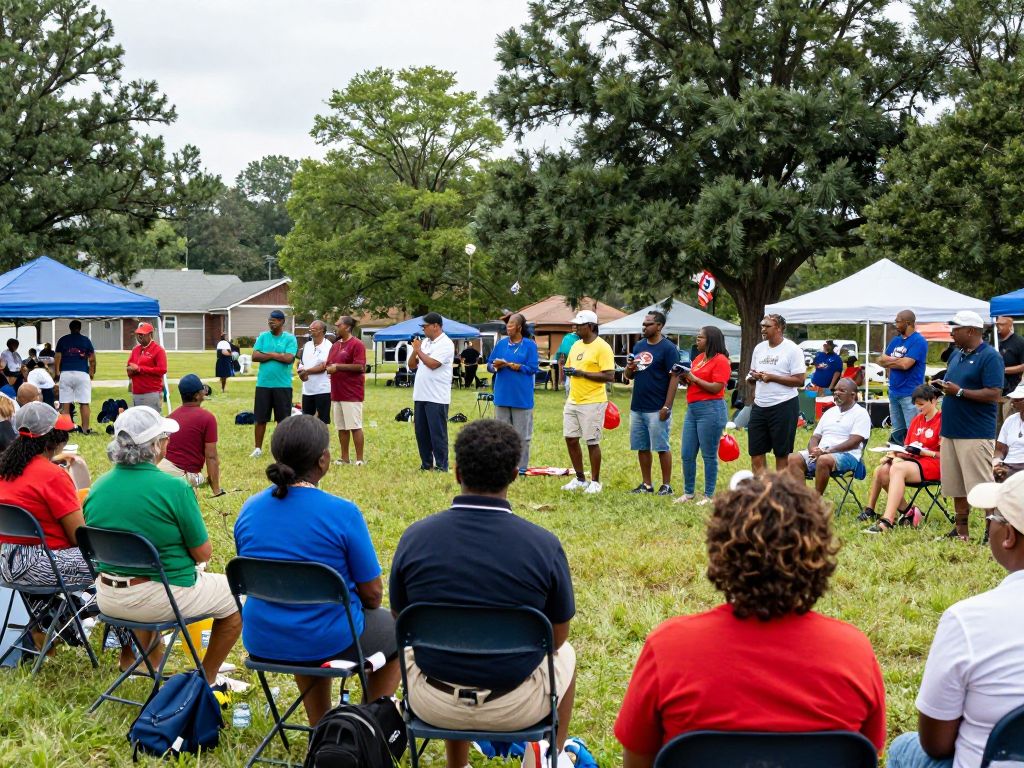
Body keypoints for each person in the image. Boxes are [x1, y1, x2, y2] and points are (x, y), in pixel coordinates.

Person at [614, 473, 885, 764]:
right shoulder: (854, 652)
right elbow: (867, 754)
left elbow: (637, 761)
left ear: (721, 550)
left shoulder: (668, 647)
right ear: (818, 553)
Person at [390, 419, 577, 768]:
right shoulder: (544, 546)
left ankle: (457, 764)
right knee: (568, 655)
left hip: (431, 701)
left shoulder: (414, 539)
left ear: (457, 470)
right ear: (514, 474)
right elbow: (556, 639)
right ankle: (550, 755)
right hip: (516, 706)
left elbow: (402, 624)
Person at [234, 415, 399, 725]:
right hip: (325, 638)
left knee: (306, 618)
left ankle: (320, 724)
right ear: (323, 460)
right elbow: (374, 595)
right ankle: (367, 727)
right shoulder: (342, 513)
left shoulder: (249, 509)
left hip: (263, 638)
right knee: (399, 629)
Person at [84, 406, 242, 685]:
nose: (169, 441)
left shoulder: (98, 487)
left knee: (151, 575)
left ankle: (149, 663)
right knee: (236, 597)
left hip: (107, 597)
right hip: (155, 597)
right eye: (165, 436)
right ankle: (207, 678)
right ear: (155, 445)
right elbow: (204, 552)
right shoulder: (175, 487)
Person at [887, 471, 1024, 768]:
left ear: (1009, 536)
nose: (989, 524)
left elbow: (935, 744)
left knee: (902, 747)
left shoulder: (968, 620)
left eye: (993, 518)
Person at [0, 403, 90, 656]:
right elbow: (79, 537)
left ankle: (47, 629)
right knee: (123, 563)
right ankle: (128, 649)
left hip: (7, 563)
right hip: (42, 566)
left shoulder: (6, 468)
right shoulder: (53, 476)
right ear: (54, 441)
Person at [936, 311, 1004, 541]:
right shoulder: (956, 355)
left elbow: (995, 393)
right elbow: (956, 386)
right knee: (956, 485)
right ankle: (961, 530)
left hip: (975, 432)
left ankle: (991, 532)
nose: (952, 332)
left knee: (982, 486)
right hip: (951, 430)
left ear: (972, 331)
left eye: (956, 329)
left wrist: (960, 392)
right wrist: (944, 387)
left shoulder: (990, 357)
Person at [862, 384, 943, 532]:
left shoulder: (943, 420)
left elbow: (946, 455)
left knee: (898, 468)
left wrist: (924, 453)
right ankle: (909, 511)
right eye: (916, 404)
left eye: (921, 404)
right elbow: (907, 447)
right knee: (882, 470)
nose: (918, 408)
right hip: (914, 462)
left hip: (934, 464)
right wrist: (894, 454)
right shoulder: (917, 420)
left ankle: (887, 521)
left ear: (933, 400)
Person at [621, 311, 680, 496]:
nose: (644, 327)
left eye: (648, 324)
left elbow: (674, 378)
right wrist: (629, 368)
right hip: (638, 405)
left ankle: (666, 485)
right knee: (642, 446)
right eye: (644, 324)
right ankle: (647, 484)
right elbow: (629, 376)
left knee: (662, 447)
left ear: (659, 326)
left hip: (657, 406)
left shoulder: (668, 349)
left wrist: (667, 406)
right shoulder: (639, 346)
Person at [677, 326, 734, 504]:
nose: (697, 340)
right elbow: (694, 382)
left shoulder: (721, 360)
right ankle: (688, 492)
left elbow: (717, 387)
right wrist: (684, 378)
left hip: (711, 409)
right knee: (687, 452)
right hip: (693, 409)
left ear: (711, 340)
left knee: (708, 455)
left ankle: (709, 495)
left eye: (700, 337)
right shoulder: (699, 358)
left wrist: (694, 379)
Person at [788, 378, 871, 497]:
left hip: (848, 455)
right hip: (822, 453)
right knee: (793, 458)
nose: (836, 393)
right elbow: (815, 437)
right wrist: (813, 451)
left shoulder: (861, 413)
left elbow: (854, 442)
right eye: (835, 390)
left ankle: (815, 501)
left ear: (852, 395)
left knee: (824, 460)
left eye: (841, 390)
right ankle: (803, 500)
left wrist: (826, 451)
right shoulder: (829, 412)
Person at [562, 310, 615, 494]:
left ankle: (595, 481)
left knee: (592, 441)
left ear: (591, 327)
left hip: (593, 401)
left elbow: (609, 375)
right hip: (573, 399)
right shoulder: (576, 345)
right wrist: (568, 371)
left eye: (580, 325)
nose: (576, 327)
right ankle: (579, 479)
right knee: (570, 438)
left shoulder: (602, 347)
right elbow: (570, 366)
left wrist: (583, 374)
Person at [747, 314, 806, 474]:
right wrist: (752, 379)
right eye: (762, 326)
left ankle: (780, 493)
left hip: (784, 405)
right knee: (756, 451)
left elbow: (800, 380)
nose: (762, 329)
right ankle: (763, 491)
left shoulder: (792, 349)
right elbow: (752, 373)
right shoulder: (759, 348)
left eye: (767, 326)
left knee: (782, 453)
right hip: (760, 405)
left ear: (779, 328)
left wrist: (772, 377)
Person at [488, 313, 539, 473]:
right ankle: (503, 466)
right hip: (502, 395)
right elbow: (489, 364)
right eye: (507, 325)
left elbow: (533, 368)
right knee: (501, 435)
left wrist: (517, 366)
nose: (508, 327)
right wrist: (495, 366)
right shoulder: (501, 344)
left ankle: (521, 468)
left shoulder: (529, 345)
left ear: (519, 327)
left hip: (521, 397)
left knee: (522, 436)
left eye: (511, 325)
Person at [160, 374, 223, 496]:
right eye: (202, 390)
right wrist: (216, 490)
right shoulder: (207, 418)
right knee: (198, 479)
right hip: (181, 476)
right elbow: (211, 456)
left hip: (160, 469)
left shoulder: (171, 416)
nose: (204, 392)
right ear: (197, 395)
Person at [409, 312, 455, 472]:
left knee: (438, 433)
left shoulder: (446, 343)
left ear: (436, 326)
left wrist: (418, 350)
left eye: (425, 326)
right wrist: (415, 351)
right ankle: (426, 464)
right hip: (421, 394)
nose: (423, 329)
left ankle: (442, 465)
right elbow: (412, 366)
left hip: (437, 396)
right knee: (421, 432)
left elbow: (433, 364)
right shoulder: (425, 343)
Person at [250, 309, 298, 458]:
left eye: (275, 320)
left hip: (282, 385)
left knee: (282, 420)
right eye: (270, 320)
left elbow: (289, 358)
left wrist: (268, 354)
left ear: (282, 322)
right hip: (263, 384)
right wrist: (277, 355)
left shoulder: (290, 339)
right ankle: (257, 448)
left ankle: (280, 449)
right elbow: (255, 356)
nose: (271, 322)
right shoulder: (263, 337)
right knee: (260, 418)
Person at [878, 310, 928, 445]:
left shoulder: (919, 341)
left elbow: (906, 364)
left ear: (908, 323)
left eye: (898, 321)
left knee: (914, 429)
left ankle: (913, 458)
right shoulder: (896, 340)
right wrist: (897, 361)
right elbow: (881, 360)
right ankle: (897, 456)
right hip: (894, 392)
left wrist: (890, 360)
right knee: (898, 430)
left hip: (910, 393)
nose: (895, 324)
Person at [325, 315, 367, 466]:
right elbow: (329, 363)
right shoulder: (335, 346)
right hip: (337, 391)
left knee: (354, 426)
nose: (336, 327)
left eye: (338, 325)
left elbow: (360, 366)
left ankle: (360, 459)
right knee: (341, 427)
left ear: (347, 327)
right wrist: (329, 367)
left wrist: (338, 367)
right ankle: (344, 458)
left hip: (352, 393)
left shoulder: (357, 344)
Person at [55, 320, 96, 434]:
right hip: (82, 373)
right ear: (80, 328)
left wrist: (57, 372)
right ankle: (85, 429)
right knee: (84, 402)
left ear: (70, 328)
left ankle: (66, 428)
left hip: (66, 373)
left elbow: (58, 357)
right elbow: (92, 359)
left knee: (65, 402)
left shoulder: (63, 340)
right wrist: (92, 373)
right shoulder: (86, 340)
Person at [126, 321, 167, 411]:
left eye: (142, 334)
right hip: (136, 392)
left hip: (151, 392)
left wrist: (140, 369)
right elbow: (129, 365)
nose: (139, 337)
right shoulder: (135, 349)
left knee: (151, 422)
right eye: (138, 334)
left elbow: (162, 370)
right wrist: (130, 370)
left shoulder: (158, 350)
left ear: (150, 334)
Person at [297, 320, 332, 425]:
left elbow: (323, 366)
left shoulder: (328, 346)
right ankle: (308, 441)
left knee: (322, 421)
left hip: (322, 389)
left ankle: (322, 441)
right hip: (307, 390)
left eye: (314, 329)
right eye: (310, 329)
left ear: (322, 331)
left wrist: (307, 371)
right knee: (307, 421)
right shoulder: (307, 345)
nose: (311, 331)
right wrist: (301, 373)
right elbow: (301, 363)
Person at [995, 316, 1024, 433]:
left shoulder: (1019, 342)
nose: (998, 327)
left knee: (1009, 422)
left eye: (1002, 324)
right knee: (996, 423)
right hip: (993, 389)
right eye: (997, 324)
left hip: (1011, 390)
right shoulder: (993, 340)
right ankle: (996, 448)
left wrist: (1002, 370)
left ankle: (1011, 448)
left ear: (1010, 325)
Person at [994, 383, 1024, 481]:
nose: (1012, 403)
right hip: (1008, 466)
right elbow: (999, 450)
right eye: (1012, 399)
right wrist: (997, 462)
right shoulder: (1010, 420)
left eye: (1018, 400)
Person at [555, 326, 580, 392]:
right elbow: (562, 348)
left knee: (570, 382)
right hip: (568, 361)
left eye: (576, 327)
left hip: (577, 362)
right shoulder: (567, 337)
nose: (574, 329)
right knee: (568, 381)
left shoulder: (579, 338)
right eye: (573, 327)